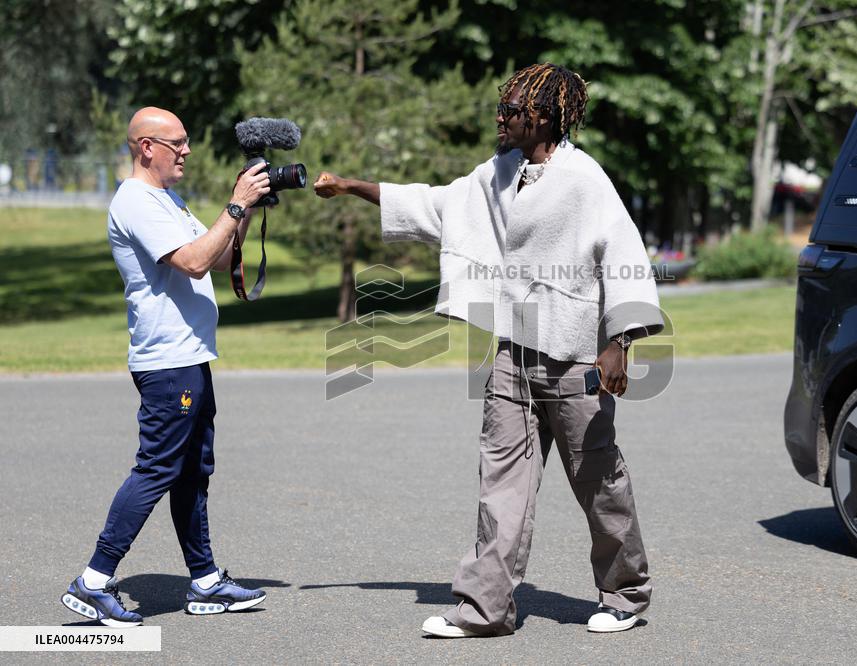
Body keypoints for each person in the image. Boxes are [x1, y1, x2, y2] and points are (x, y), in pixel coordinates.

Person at [314, 63, 663, 637]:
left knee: (598, 478)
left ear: (545, 116)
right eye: (500, 108)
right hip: (512, 355)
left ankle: (624, 594)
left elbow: (624, 255)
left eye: (513, 110)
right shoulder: (499, 173)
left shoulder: (584, 179)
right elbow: (436, 206)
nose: (500, 117)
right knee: (500, 481)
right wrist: (350, 185)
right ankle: (485, 608)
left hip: (575, 357)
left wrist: (619, 342)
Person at [61, 107, 272, 626]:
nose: (187, 150)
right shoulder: (135, 202)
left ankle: (203, 582)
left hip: (190, 356)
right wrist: (236, 206)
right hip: (167, 362)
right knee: (156, 468)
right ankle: (93, 580)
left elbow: (220, 256)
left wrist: (246, 208)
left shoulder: (166, 200)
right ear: (145, 147)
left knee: (193, 473)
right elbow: (194, 261)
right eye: (176, 142)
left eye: (187, 140)